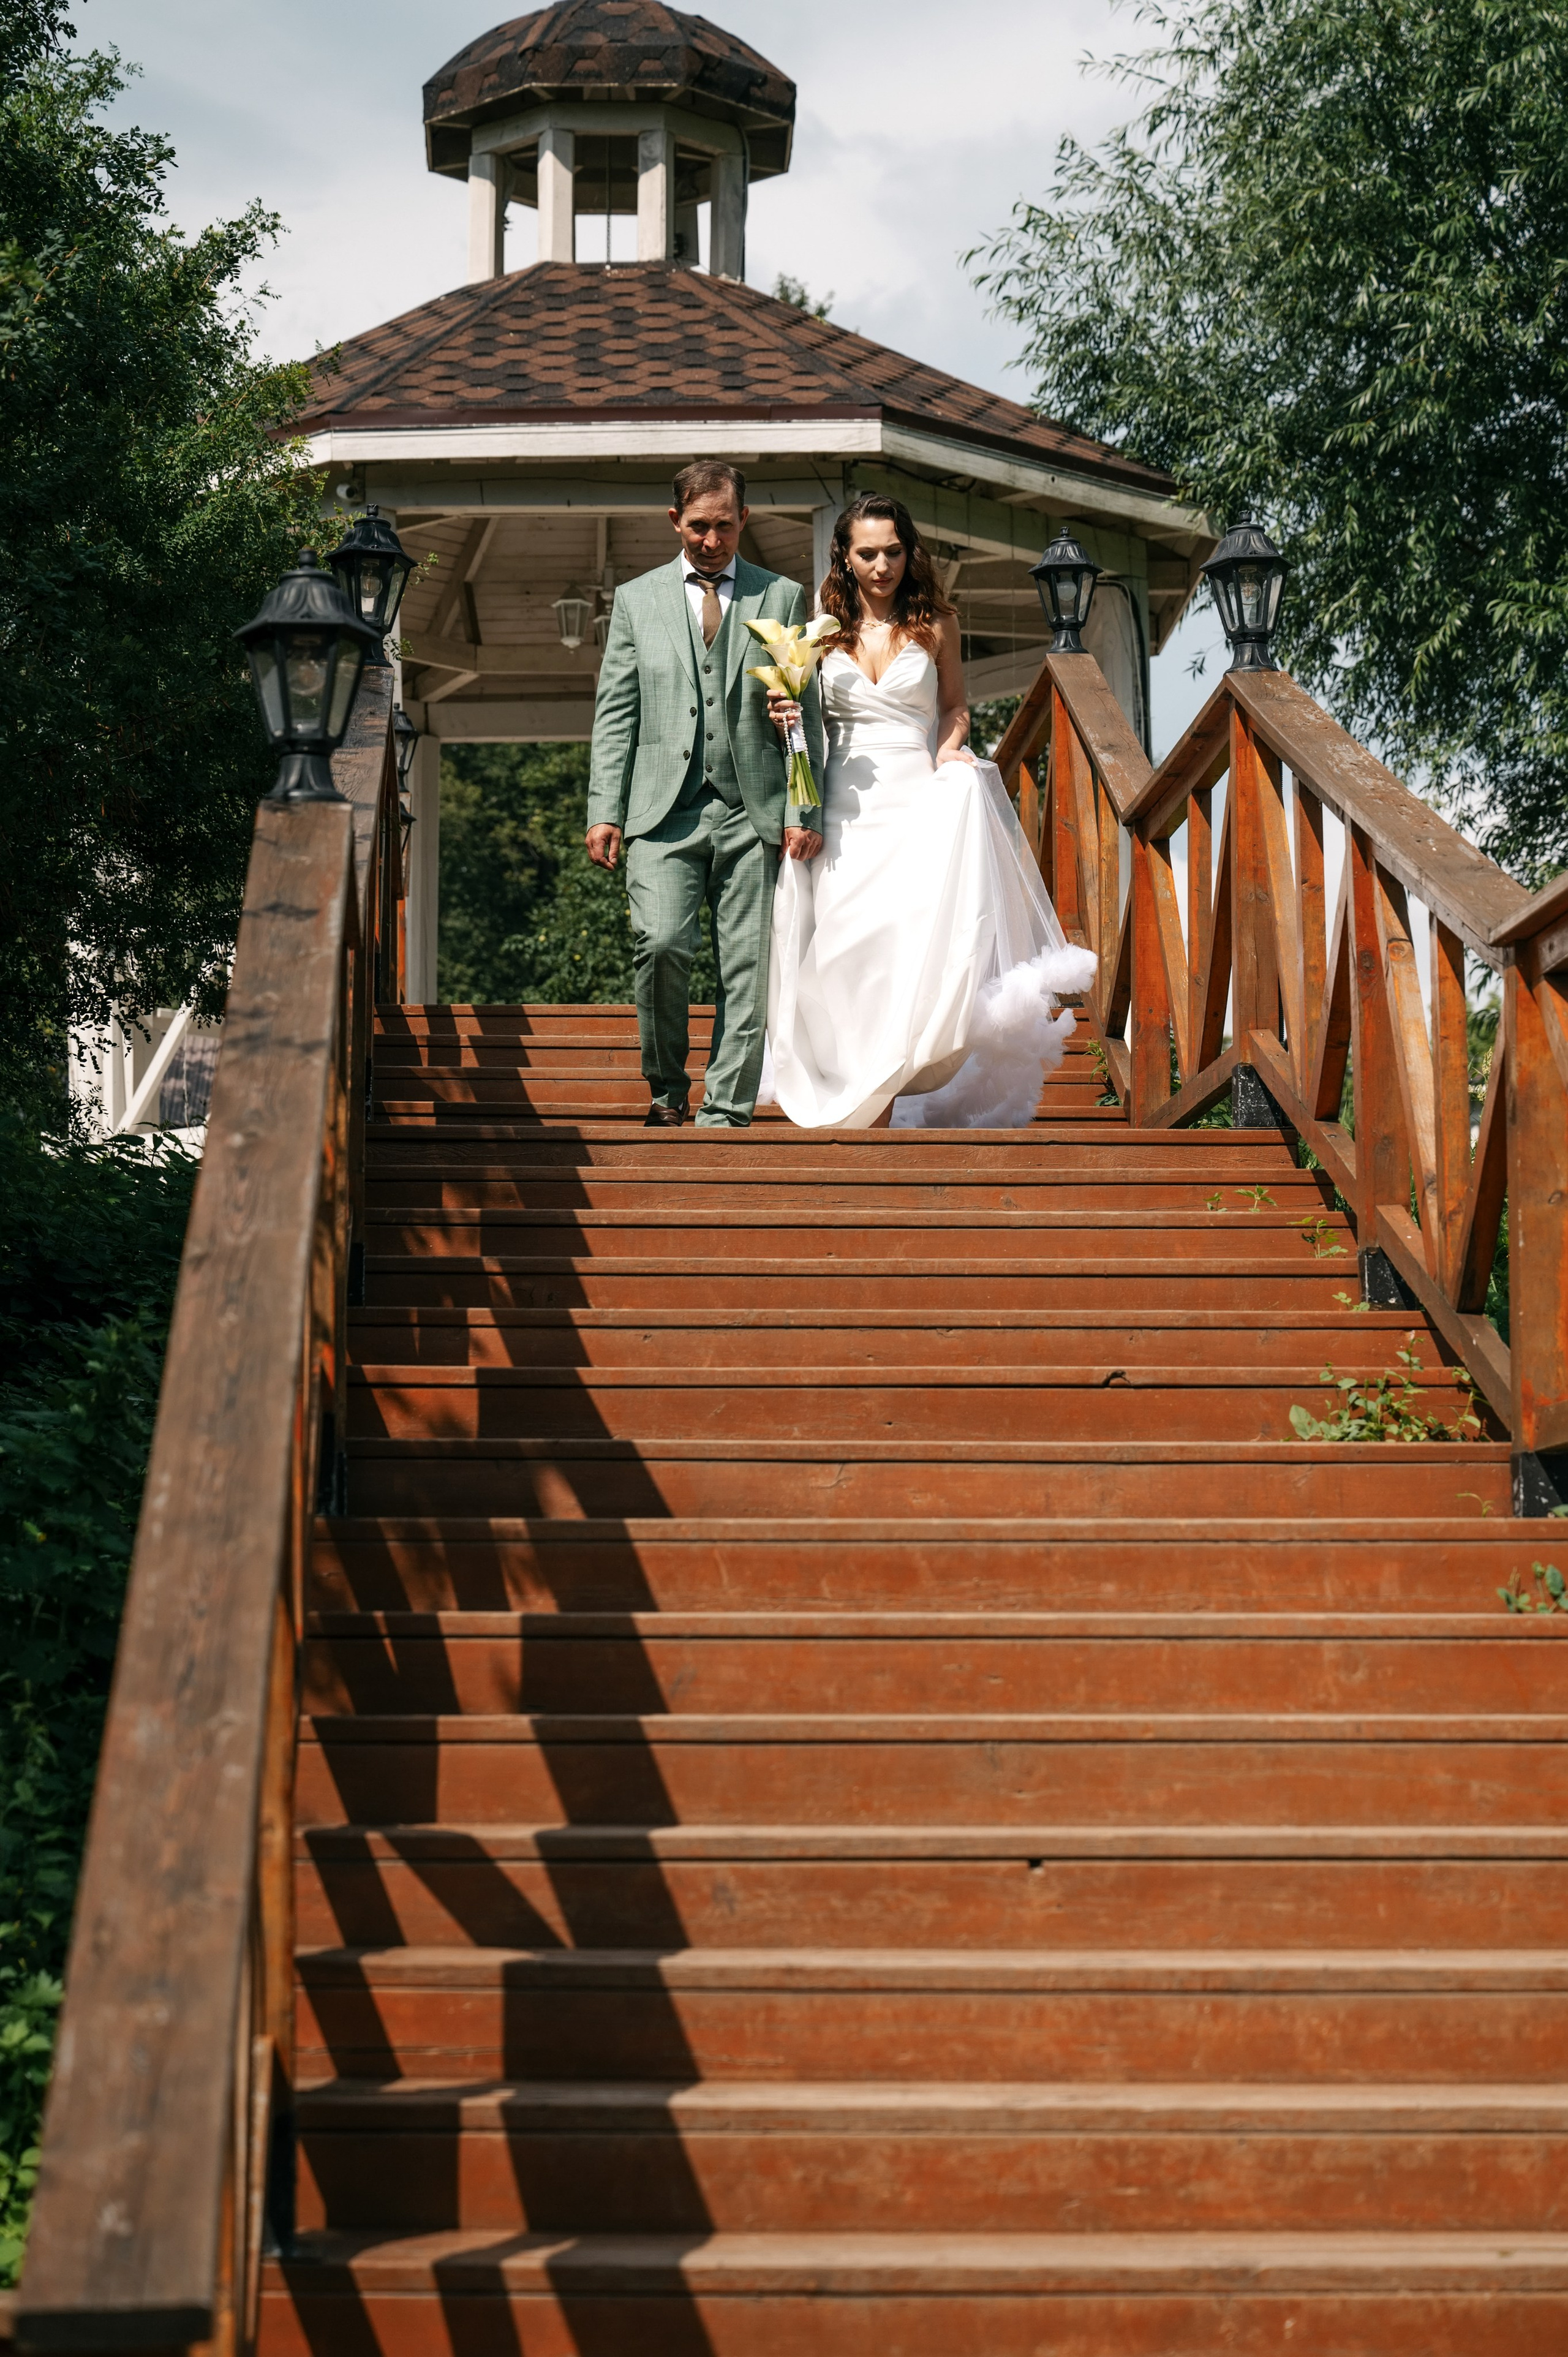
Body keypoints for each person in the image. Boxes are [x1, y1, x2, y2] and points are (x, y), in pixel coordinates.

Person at [763, 493, 1097, 1128]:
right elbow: (802, 716)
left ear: (908, 551)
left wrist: (950, 754)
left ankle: (879, 1104)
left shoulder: (938, 622)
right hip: (843, 803)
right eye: (867, 553)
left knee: (898, 949)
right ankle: (843, 1076)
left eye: (893, 550)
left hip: (915, 799)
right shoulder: (816, 631)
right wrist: (784, 715)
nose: (882, 565)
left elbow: (954, 708)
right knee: (842, 950)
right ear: (845, 557)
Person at [585, 459, 826, 1127]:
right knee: (660, 943)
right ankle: (667, 1090)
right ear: (674, 522)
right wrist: (605, 808)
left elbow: (807, 713)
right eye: (698, 526)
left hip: (754, 810)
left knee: (747, 965)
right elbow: (616, 713)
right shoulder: (637, 600)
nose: (711, 540)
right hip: (661, 811)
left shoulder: (781, 596)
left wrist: (803, 808)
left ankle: (726, 1110)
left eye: (724, 525)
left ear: (743, 519)